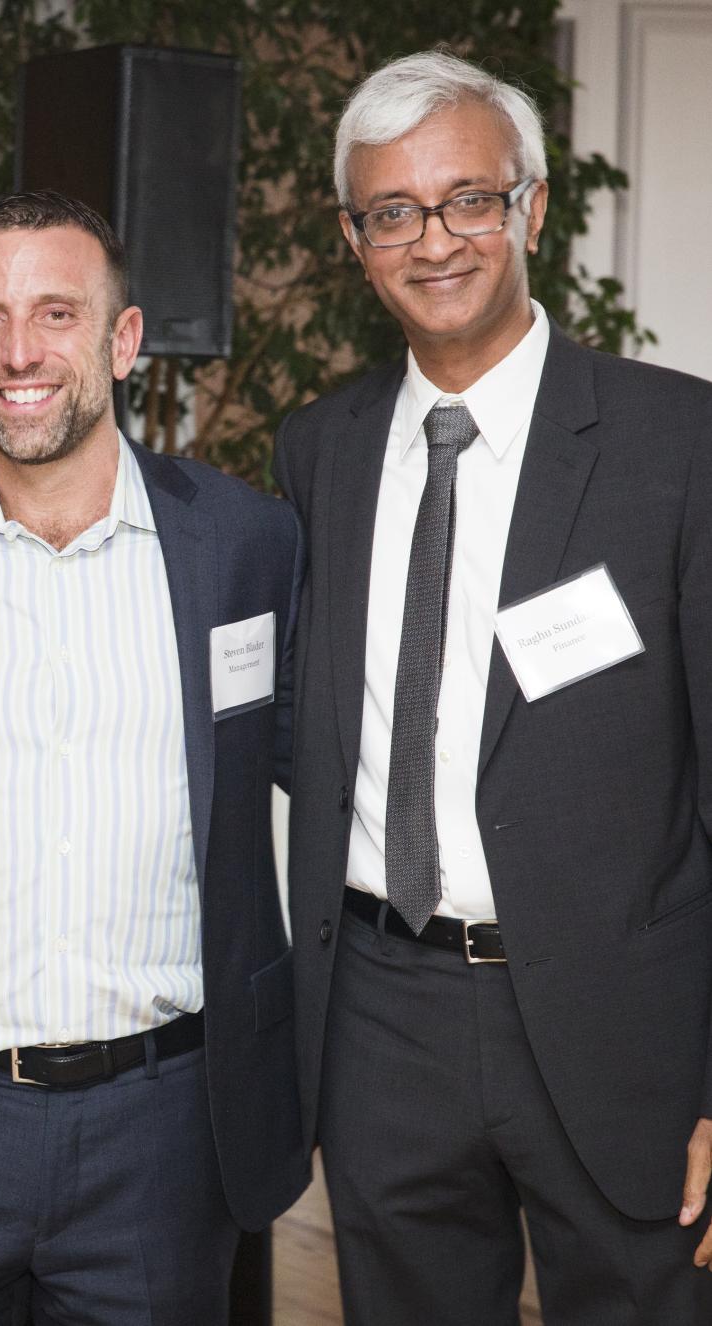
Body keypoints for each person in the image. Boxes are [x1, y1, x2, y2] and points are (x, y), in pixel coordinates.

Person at [0, 189, 307, 1324]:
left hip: (165, 1130)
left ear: (122, 341)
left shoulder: (245, 547)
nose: (18, 351)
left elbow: (329, 779)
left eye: (54, 314)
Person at [274, 48, 712, 1324]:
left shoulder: (675, 444)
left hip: (619, 1021)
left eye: (467, 198)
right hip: (381, 1009)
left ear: (526, 208)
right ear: (355, 239)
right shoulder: (320, 450)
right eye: (393, 211)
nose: (434, 240)